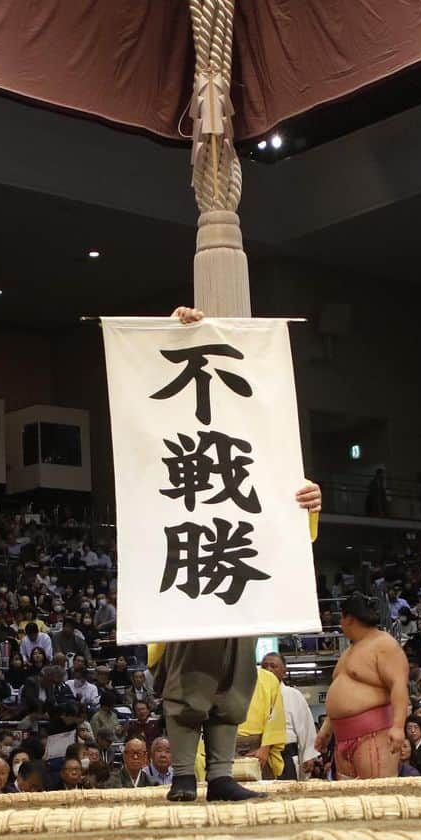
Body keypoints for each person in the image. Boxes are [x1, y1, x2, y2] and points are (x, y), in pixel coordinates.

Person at [150, 305, 323, 804]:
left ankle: (221, 774)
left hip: (238, 574)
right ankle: (184, 775)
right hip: (188, 568)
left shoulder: (257, 453)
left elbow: (286, 538)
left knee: (233, 684)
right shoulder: (173, 427)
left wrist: (307, 506)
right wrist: (184, 331)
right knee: (190, 684)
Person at [313, 594, 409, 780]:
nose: (340, 623)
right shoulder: (349, 651)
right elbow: (340, 696)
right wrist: (326, 730)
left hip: (374, 735)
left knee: (377, 798)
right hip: (342, 737)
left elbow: (398, 685)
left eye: (341, 618)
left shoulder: (384, 644)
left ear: (349, 618)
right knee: (352, 801)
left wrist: (398, 727)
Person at [261, 652, 317, 780]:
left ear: (284, 671)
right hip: (260, 755)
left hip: (287, 754)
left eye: (273, 666)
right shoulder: (253, 695)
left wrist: (308, 756)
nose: (268, 670)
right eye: (265, 666)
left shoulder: (293, 694)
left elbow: (306, 726)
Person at [235, 664, 287, 779]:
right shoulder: (216, 678)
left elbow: (276, 716)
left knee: (264, 793)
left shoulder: (269, 679)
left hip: (260, 745)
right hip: (225, 745)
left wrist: (265, 748)